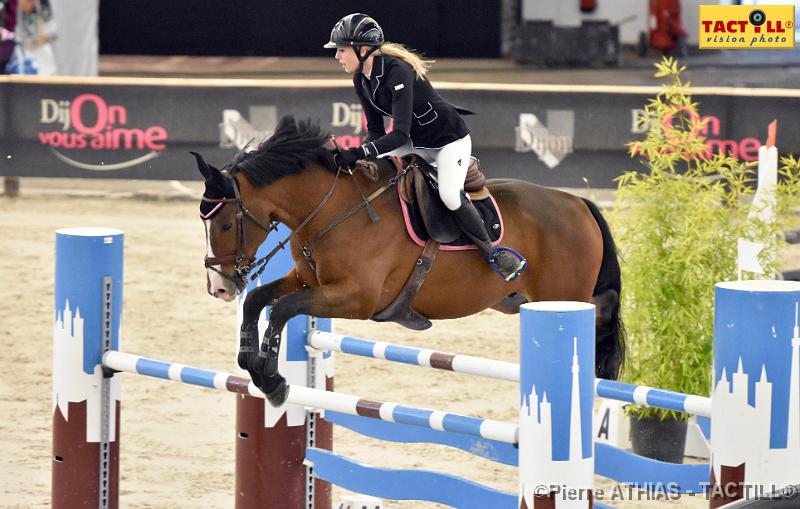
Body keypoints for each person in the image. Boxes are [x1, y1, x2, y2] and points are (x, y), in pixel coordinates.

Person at [325, 13, 526, 281]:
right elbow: (374, 130)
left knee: (450, 195)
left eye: (341, 49)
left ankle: (493, 252)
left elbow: (398, 134)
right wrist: (361, 156)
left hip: (447, 141)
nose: (337, 56)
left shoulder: (397, 71)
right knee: (371, 170)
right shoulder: (361, 79)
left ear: (363, 50)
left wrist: (360, 151)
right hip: (413, 142)